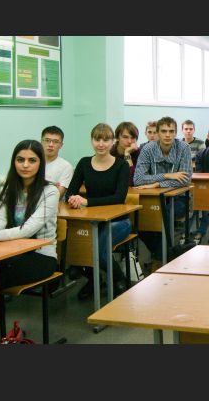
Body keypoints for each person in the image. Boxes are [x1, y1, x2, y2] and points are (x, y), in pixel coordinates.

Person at [65, 123, 131, 300]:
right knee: (73, 250)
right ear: (91, 140)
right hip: (91, 221)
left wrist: (87, 202)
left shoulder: (121, 165)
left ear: (112, 142)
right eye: (97, 139)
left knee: (99, 251)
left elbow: (119, 198)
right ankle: (94, 280)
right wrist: (73, 199)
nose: (101, 144)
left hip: (118, 221)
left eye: (106, 140)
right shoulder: (84, 163)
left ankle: (120, 279)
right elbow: (70, 192)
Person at [0, 140, 59, 291]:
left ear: (40, 163)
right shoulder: (8, 189)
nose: (25, 165)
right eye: (20, 160)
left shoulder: (50, 192)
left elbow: (28, 230)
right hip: (10, 252)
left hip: (42, 256)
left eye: (32, 160)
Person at [134, 116, 193, 271]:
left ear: (176, 133)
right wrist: (167, 176)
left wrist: (157, 183)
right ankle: (166, 255)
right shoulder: (148, 149)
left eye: (171, 131)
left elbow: (185, 179)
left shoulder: (184, 148)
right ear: (158, 133)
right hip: (153, 199)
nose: (167, 135)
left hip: (179, 199)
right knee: (139, 219)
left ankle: (158, 262)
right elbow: (138, 179)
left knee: (160, 216)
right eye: (164, 131)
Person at [41, 126, 73, 198]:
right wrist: (50, 186)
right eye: (47, 140)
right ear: (41, 142)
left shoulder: (66, 167)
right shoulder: (33, 163)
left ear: (61, 145)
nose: (51, 145)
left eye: (55, 142)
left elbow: (57, 195)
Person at [111, 121, 140, 186]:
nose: (129, 141)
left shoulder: (139, 153)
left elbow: (133, 181)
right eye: (125, 137)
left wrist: (127, 154)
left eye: (133, 138)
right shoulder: (109, 152)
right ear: (117, 138)